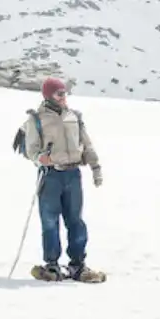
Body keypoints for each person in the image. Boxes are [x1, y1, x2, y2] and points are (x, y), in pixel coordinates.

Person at [18, 76, 105, 282]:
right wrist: (40, 158)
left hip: (73, 174)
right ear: (49, 95)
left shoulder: (74, 116)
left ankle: (77, 264)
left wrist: (95, 167)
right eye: (59, 93)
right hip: (50, 176)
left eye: (65, 93)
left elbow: (87, 144)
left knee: (76, 221)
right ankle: (52, 264)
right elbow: (31, 149)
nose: (63, 96)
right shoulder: (36, 119)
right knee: (50, 221)